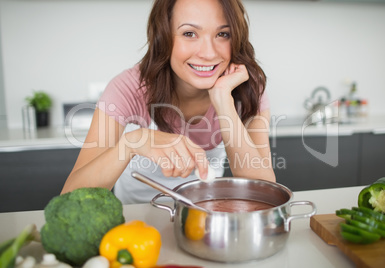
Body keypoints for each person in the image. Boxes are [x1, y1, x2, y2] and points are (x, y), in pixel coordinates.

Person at [61, 0, 276, 204]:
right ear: (163, 37)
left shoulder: (246, 86)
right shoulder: (128, 88)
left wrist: (223, 101)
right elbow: (70, 199)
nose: (209, 53)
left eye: (222, 34)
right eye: (189, 33)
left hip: (199, 217)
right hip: (136, 223)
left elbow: (265, 192)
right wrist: (133, 143)